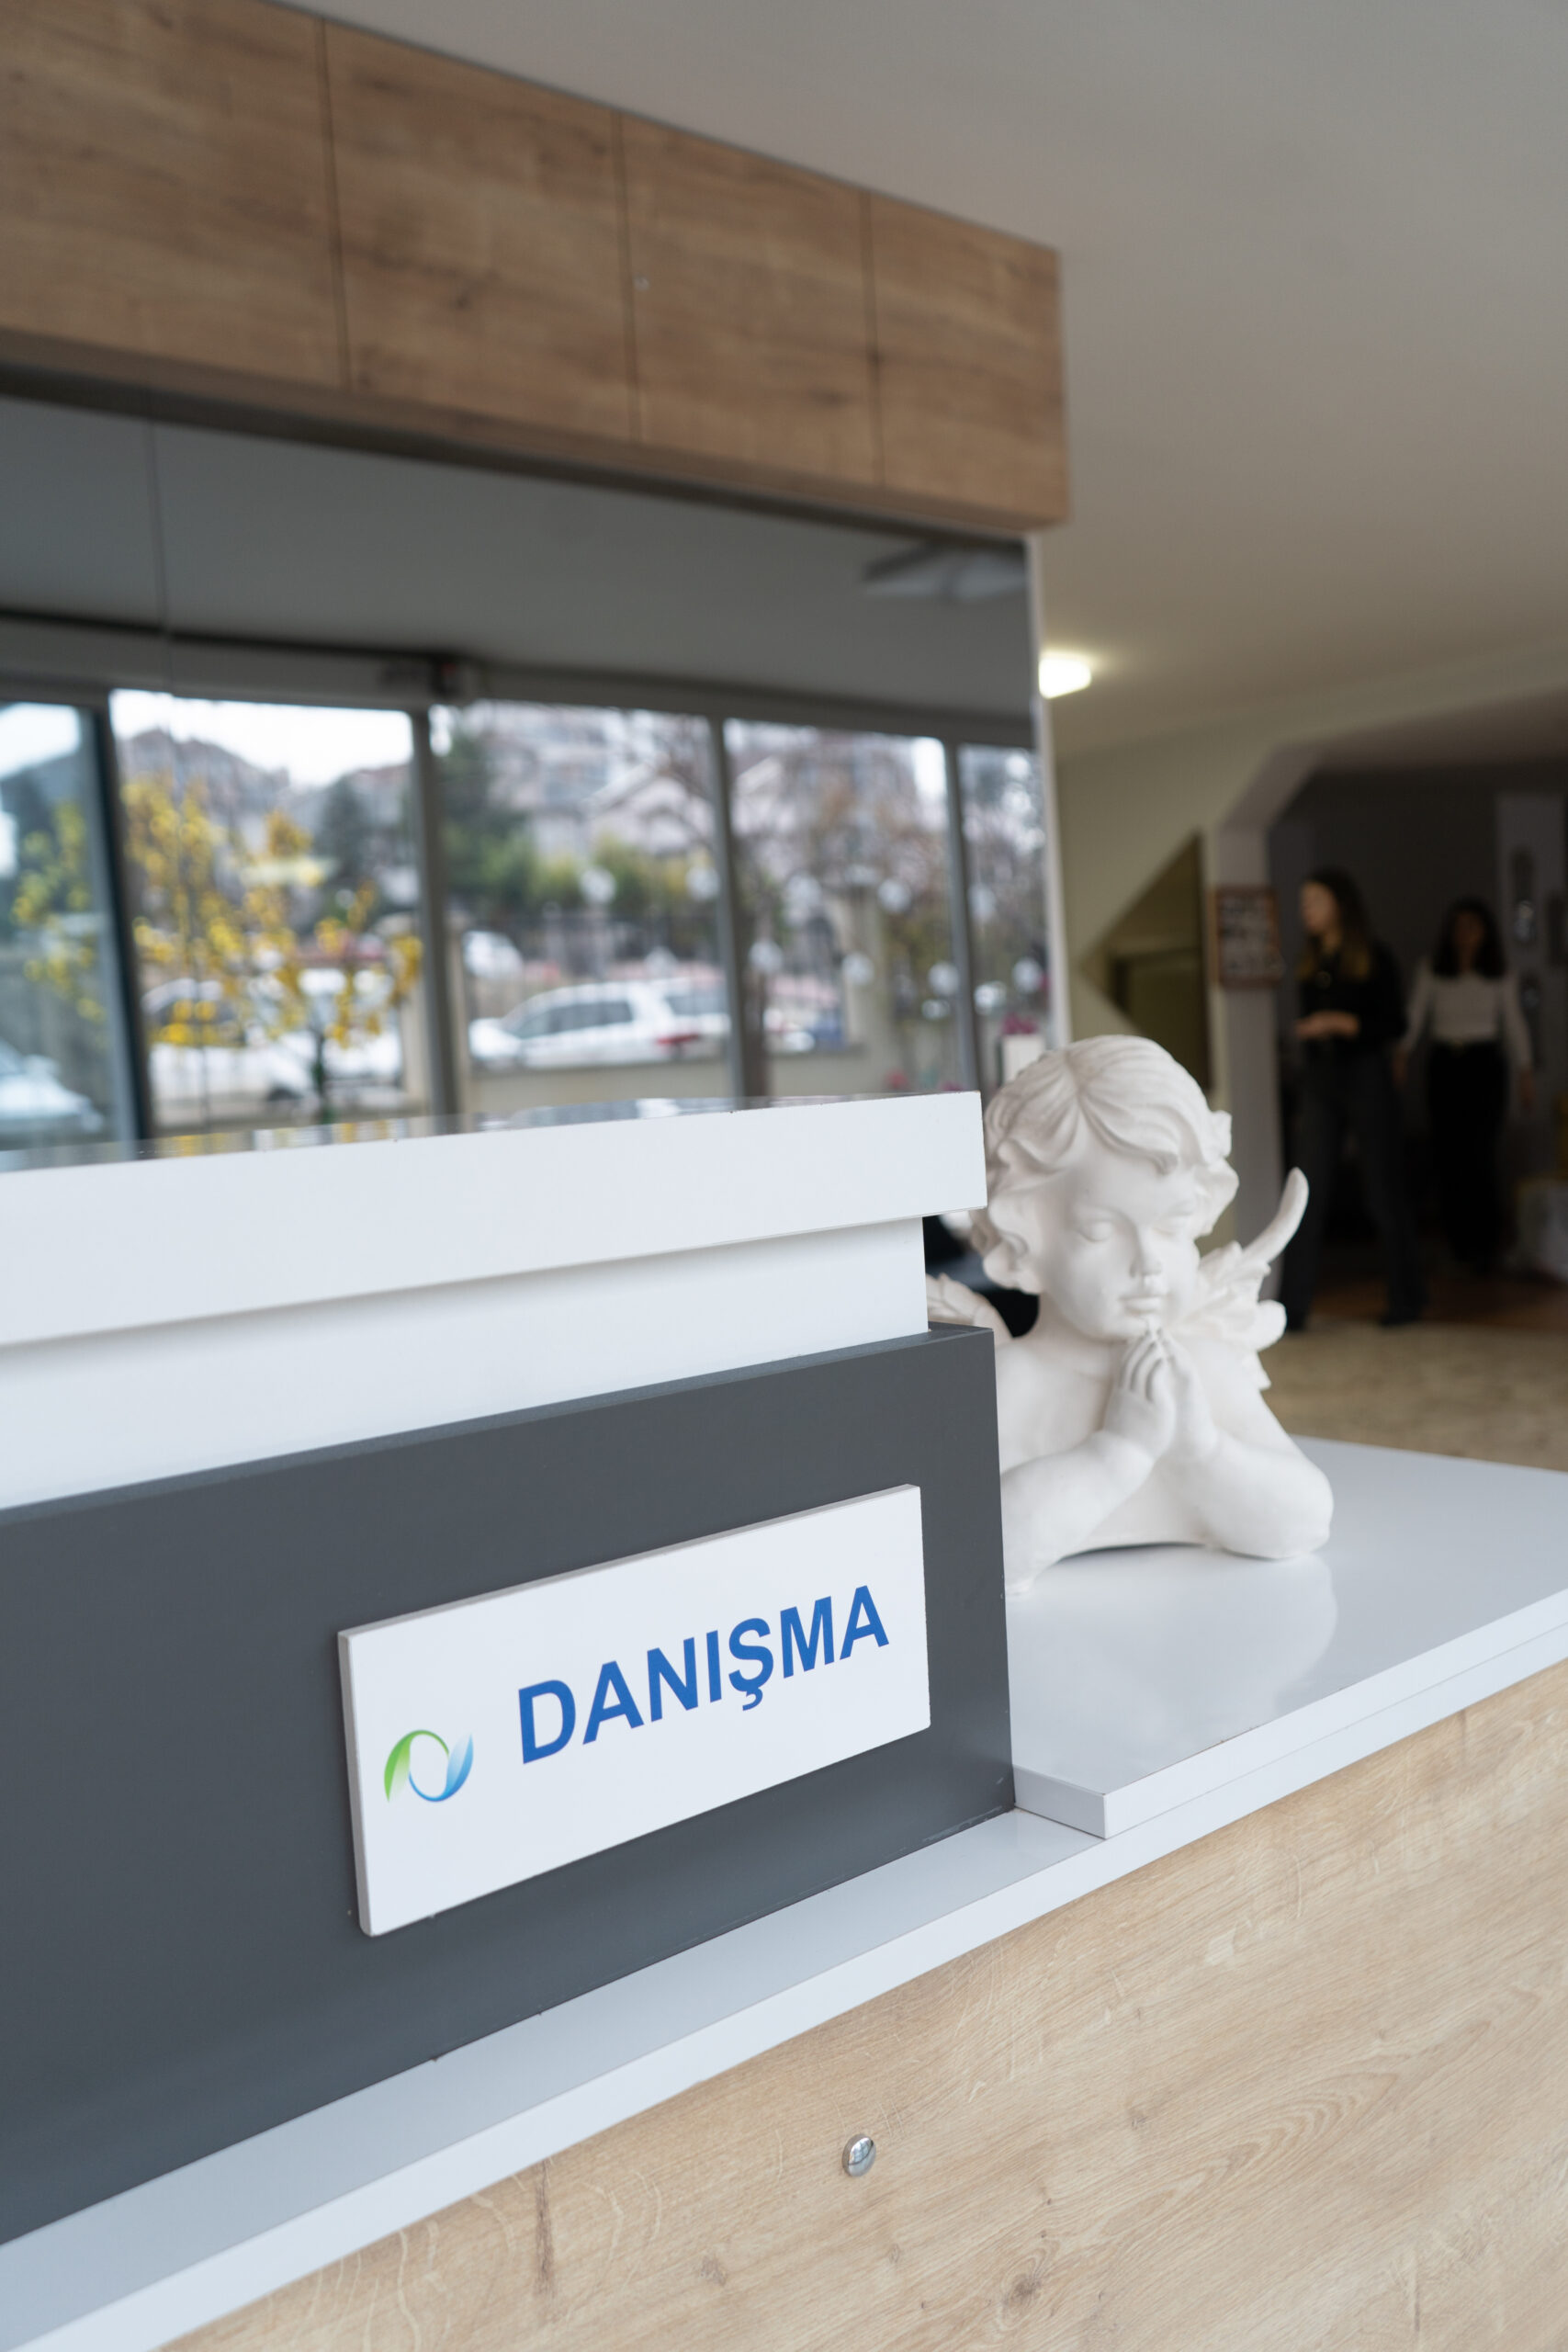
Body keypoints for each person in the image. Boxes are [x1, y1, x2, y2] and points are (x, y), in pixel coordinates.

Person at [927, 1036, 1333, 1589]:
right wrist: (1118, 1453)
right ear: (1023, 1242)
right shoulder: (1010, 1383)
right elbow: (976, 1549)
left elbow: (1305, 1520)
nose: (1148, 1263)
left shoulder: (1203, 1368)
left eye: (1172, 1227)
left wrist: (1201, 1450)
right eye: (1100, 1231)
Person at [1280, 868, 1426, 1330]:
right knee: (1306, 1187)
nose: (1306, 911)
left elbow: (1395, 1024)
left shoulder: (1374, 958)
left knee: (1383, 1188)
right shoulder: (1310, 964)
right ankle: (1291, 1307)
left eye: (1315, 901)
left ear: (1339, 905)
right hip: (1321, 1078)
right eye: (1303, 903)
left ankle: (1407, 1299)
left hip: (1366, 1074)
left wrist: (1342, 1023)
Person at [1396, 897, 1535, 1273]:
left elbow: (1514, 1023)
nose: (1465, 934)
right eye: (1459, 926)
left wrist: (1525, 1071)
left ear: (1485, 932)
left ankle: (1487, 1245)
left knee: (1481, 1153)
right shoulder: (1432, 969)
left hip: (1484, 1065)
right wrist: (1401, 1052)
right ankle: (1459, 1245)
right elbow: (1415, 1014)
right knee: (1449, 1154)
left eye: (1472, 926)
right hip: (1447, 1064)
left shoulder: (1499, 973)